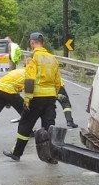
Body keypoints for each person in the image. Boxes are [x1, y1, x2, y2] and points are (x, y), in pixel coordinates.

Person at [4, 32, 61, 163]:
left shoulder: (33, 58)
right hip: (50, 98)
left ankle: (16, 153)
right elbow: (58, 82)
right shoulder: (53, 59)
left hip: (36, 98)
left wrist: (27, 99)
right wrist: (53, 95)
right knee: (49, 128)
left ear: (32, 42)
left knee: (25, 125)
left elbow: (29, 80)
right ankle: (51, 157)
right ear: (43, 42)